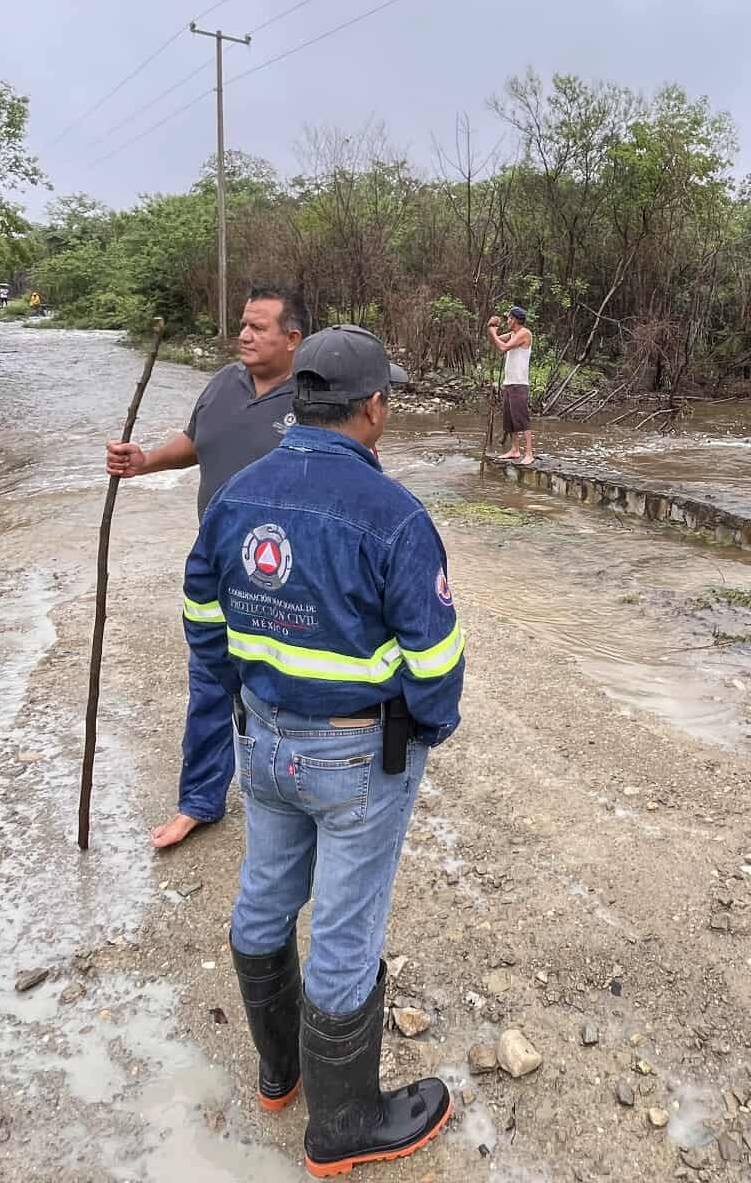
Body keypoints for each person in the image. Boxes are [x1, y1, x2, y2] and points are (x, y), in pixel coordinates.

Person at [184, 324, 464, 1176]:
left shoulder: (237, 494)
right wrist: (429, 729)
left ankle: (280, 1073)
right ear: (373, 408)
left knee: (266, 893)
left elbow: (202, 613)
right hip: (355, 756)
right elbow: (434, 659)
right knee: (346, 925)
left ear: (300, 401)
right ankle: (342, 1126)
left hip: (263, 740)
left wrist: (241, 692)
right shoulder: (394, 513)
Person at [105, 286, 303, 850]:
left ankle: (298, 796)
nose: (244, 335)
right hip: (216, 563)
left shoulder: (314, 396)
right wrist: (145, 460)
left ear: (293, 338)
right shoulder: (223, 384)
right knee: (211, 677)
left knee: (287, 685)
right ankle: (200, 801)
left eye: (258, 327)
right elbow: (197, 442)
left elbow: (355, 467)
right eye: (243, 324)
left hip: (290, 575)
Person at [487, 306, 535, 463]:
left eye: (509, 318)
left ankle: (529, 453)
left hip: (519, 383)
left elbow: (503, 347)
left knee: (522, 418)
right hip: (509, 382)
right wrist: (491, 328)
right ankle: (515, 449)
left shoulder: (524, 333)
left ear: (514, 320)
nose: (507, 321)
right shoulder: (513, 334)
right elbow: (496, 340)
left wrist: (493, 332)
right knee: (510, 419)